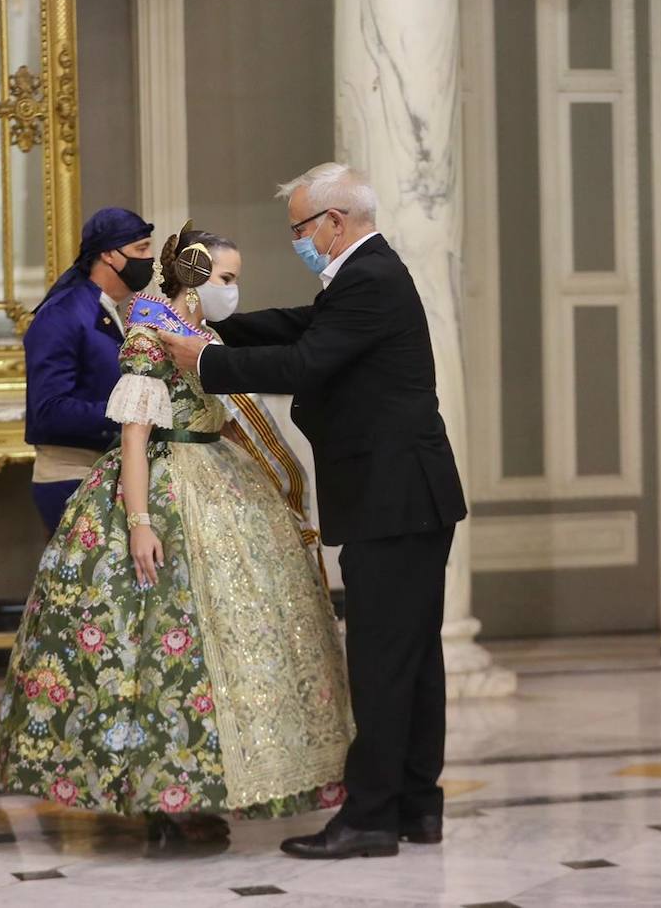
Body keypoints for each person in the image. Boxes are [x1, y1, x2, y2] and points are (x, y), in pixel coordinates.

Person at [0, 224, 352, 842]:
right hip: (162, 486)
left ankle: (212, 789)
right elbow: (134, 433)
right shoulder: (151, 334)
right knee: (156, 651)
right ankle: (160, 800)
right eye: (228, 280)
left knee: (227, 648)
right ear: (194, 275)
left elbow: (231, 419)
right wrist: (139, 523)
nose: (235, 292)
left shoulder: (205, 337)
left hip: (222, 480)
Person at [159, 163, 468, 859]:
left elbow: (306, 362)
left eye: (299, 227)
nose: (297, 238)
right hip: (408, 495)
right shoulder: (365, 277)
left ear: (334, 220)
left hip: (393, 498)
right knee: (413, 659)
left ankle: (370, 818)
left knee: (384, 663)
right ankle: (418, 805)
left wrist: (204, 360)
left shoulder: (371, 278)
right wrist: (221, 328)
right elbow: (305, 326)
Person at [23, 207, 155, 532]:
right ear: (109, 254)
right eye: (141, 249)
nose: (150, 259)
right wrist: (129, 412)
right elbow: (48, 410)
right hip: (71, 477)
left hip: (104, 470)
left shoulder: (106, 309)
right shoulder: (63, 313)